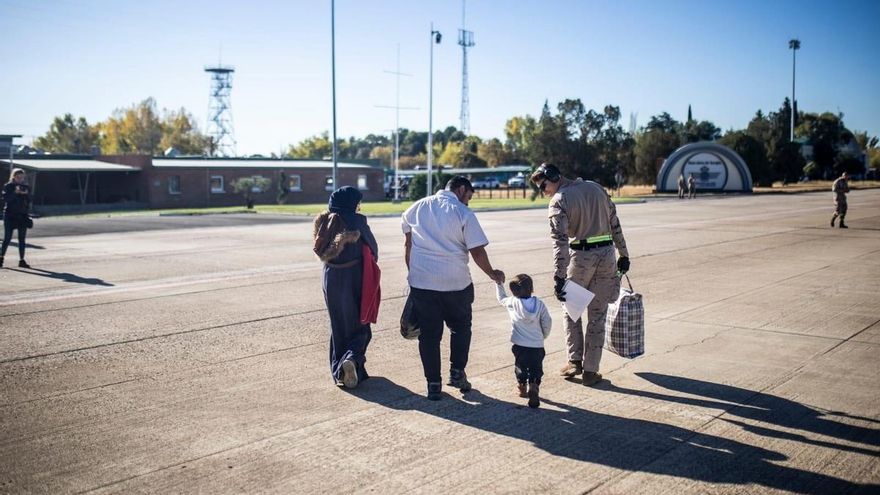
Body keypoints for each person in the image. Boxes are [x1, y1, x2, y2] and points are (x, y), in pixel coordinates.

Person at [402, 175, 505, 400]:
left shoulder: (415, 208)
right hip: (456, 283)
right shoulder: (462, 212)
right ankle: (457, 372)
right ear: (460, 190)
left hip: (422, 283)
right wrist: (492, 273)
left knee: (428, 335)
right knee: (460, 328)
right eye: (468, 196)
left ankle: (433, 384)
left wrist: (414, 274)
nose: (468, 201)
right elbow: (477, 251)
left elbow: (408, 245)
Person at [529, 163, 630, 386]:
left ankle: (575, 361)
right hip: (607, 256)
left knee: (572, 311)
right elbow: (615, 223)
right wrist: (623, 253)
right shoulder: (596, 188)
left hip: (581, 258)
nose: (542, 191)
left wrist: (559, 276)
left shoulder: (559, 200)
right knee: (598, 315)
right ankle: (591, 372)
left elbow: (561, 243)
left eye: (543, 185)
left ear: (554, 177)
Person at [313, 186, 378, 389]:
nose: (359, 207)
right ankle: (350, 359)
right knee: (361, 324)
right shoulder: (357, 221)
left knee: (338, 325)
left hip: (330, 276)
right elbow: (374, 250)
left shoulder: (324, 221)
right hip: (354, 276)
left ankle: (341, 372)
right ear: (351, 204)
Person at [495, 274, 552, 409]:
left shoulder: (512, 302)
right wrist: (543, 336)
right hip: (537, 344)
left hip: (519, 344)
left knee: (520, 366)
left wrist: (498, 284)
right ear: (532, 288)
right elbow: (547, 322)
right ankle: (534, 385)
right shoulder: (539, 304)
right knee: (536, 367)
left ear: (513, 291)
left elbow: (501, 298)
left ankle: (522, 387)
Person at [1, 168, 32, 269]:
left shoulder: (25, 187)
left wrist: (25, 194)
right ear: (13, 176)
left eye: (22, 177)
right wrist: (15, 192)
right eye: (18, 177)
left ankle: (21, 260)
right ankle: (1, 258)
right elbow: (6, 199)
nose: (20, 179)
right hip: (10, 215)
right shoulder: (8, 186)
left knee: (22, 239)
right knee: (7, 238)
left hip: (22, 216)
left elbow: (30, 200)